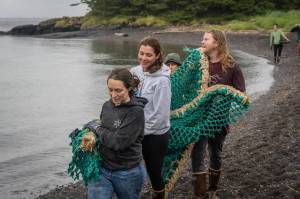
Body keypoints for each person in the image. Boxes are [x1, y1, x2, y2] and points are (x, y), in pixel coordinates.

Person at [191, 30, 246, 199]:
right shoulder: (200, 63)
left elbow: (241, 93)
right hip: (199, 120)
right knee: (197, 156)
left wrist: (221, 92)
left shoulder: (231, 66)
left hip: (219, 120)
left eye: (206, 39)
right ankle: (200, 195)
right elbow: (189, 88)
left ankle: (213, 190)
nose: (202, 41)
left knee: (215, 154)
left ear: (216, 43)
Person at [83, 68, 148, 199]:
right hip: (101, 168)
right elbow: (104, 131)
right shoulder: (106, 106)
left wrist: (96, 128)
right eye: (110, 90)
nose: (113, 95)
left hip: (128, 172)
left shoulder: (136, 112)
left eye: (118, 90)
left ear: (129, 88)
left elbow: (118, 142)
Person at [130, 37, 171, 199]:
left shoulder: (162, 81)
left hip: (156, 134)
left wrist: (139, 132)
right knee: (131, 168)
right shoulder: (134, 72)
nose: (143, 58)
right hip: (136, 131)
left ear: (157, 56)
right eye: (141, 53)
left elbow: (160, 116)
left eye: (148, 55)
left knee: (154, 172)